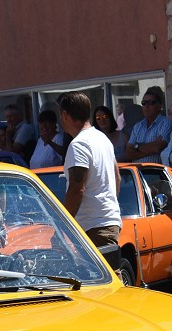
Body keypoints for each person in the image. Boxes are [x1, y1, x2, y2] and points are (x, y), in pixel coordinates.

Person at [58, 91, 122, 271]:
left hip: (92, 228)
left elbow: (77, 189)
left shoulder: (78, 144)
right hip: (107, 222)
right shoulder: (102, 138)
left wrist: (61, 225)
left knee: (103, 289)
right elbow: (116, 177)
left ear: (65, 115)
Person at [125, 86, 172, 164]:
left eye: (151, 103)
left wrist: (136, 146)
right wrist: (151, 149)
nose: (146, 106)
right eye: (144, 103)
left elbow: (157, 148)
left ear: (159, 106)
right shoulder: (137, 126)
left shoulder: (166, 123)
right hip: (138, 173)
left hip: (155, 172)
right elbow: (128, 154)